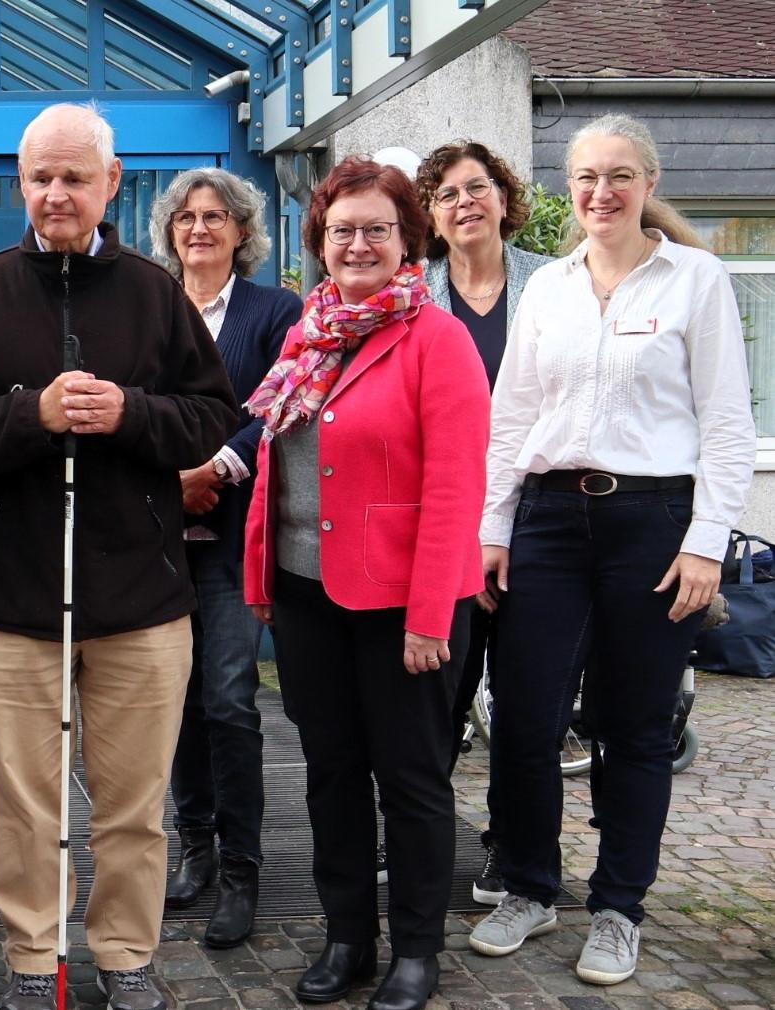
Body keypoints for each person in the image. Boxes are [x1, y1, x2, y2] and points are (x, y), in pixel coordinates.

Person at [0, 102, 238, 1010]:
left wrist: (131, 415)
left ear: (111, 183)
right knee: (26, 804)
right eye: (40, 178)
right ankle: (29, 958)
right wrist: (34, 414)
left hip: (140, 597)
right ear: (22, 184)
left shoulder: (152, 289)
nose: (56, 195)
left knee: (133, 804)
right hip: (15, 597)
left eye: (74, 178)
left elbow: (213, 413)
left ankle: (126, 952)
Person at [468, 114, 755, 987]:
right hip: (549, 520)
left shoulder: (696, 280)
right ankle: (527, 886)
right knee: (523, 718)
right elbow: (511, 419)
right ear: (570, 188)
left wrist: (707, 546)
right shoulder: (548, 288)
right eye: (588, 175)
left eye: (620, 174)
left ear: (649, 184)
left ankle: (619, 908)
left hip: (653, 524)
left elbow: (729, 427)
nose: (602, 191)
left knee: (634, 726)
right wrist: (492, 526)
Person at [242, 155, 490, 1010]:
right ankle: (348, 934)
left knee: (412, 779)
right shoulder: (305, 333)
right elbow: (275, 464)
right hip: (309, 593)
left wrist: (431, 618)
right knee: (330, 772)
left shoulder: (438, 336)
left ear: (406, 240)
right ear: (319, 240)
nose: (358, 244)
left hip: (405, 604)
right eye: (341, 229)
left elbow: (459, 486)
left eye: (376, 229)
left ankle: (417, 948)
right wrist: (263, 576)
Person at [148, 168, 300, 948]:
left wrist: (215, 472)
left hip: (235, 533)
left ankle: (243, 869)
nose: (199, 228)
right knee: (173, 701)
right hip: (154, 536)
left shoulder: (277, 311)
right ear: (169, 230)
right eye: (186, 217)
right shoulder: (146, 304)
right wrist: (167, 482)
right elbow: (128, 403)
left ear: (243, 231)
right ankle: (195, 848)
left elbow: (279, 404)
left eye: (216, 217)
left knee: (232, 697)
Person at [414, 140, 554, 906]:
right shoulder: (416, 295)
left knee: (526, 705)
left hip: (538, 520)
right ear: (431, 217)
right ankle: (418, 837)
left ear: (504, 197)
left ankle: (510, 848)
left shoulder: (556, 284)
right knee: (436, 695)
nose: (465, 203)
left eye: (478, 187)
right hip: (443, 523)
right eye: (446, 195)